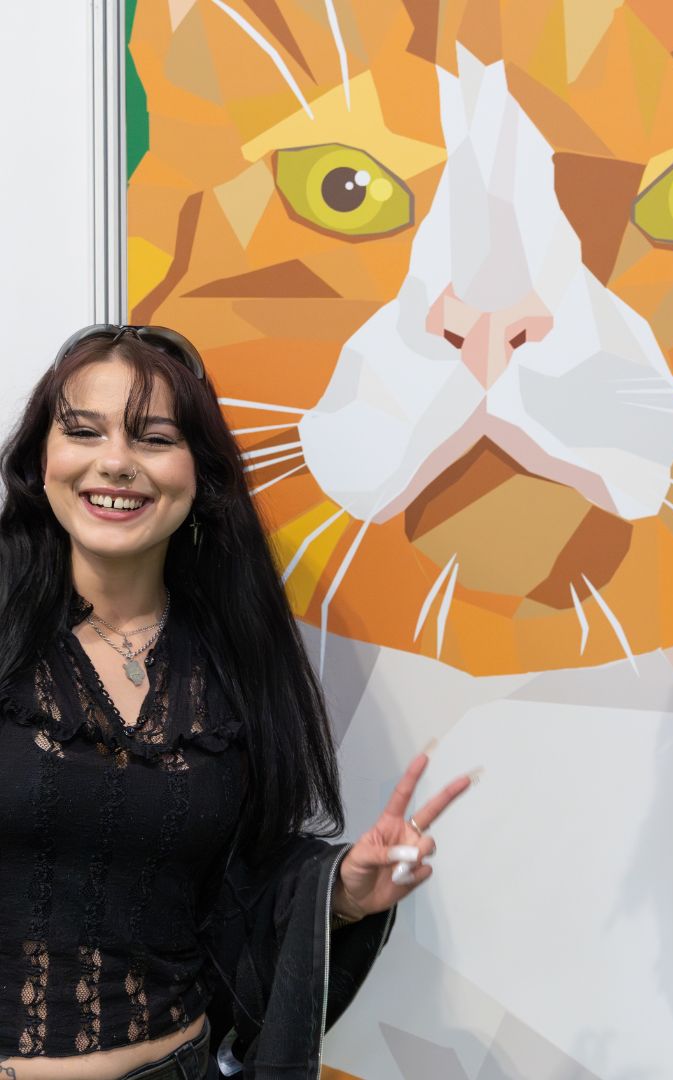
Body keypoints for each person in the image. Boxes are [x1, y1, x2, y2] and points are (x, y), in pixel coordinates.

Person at [0, 324, 471, 1079]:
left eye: (154, 438)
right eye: (83, 431)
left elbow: (242, 883)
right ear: (39, 461)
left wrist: (342, 892)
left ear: (202, 475)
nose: (115, 462)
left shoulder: (234, 657)